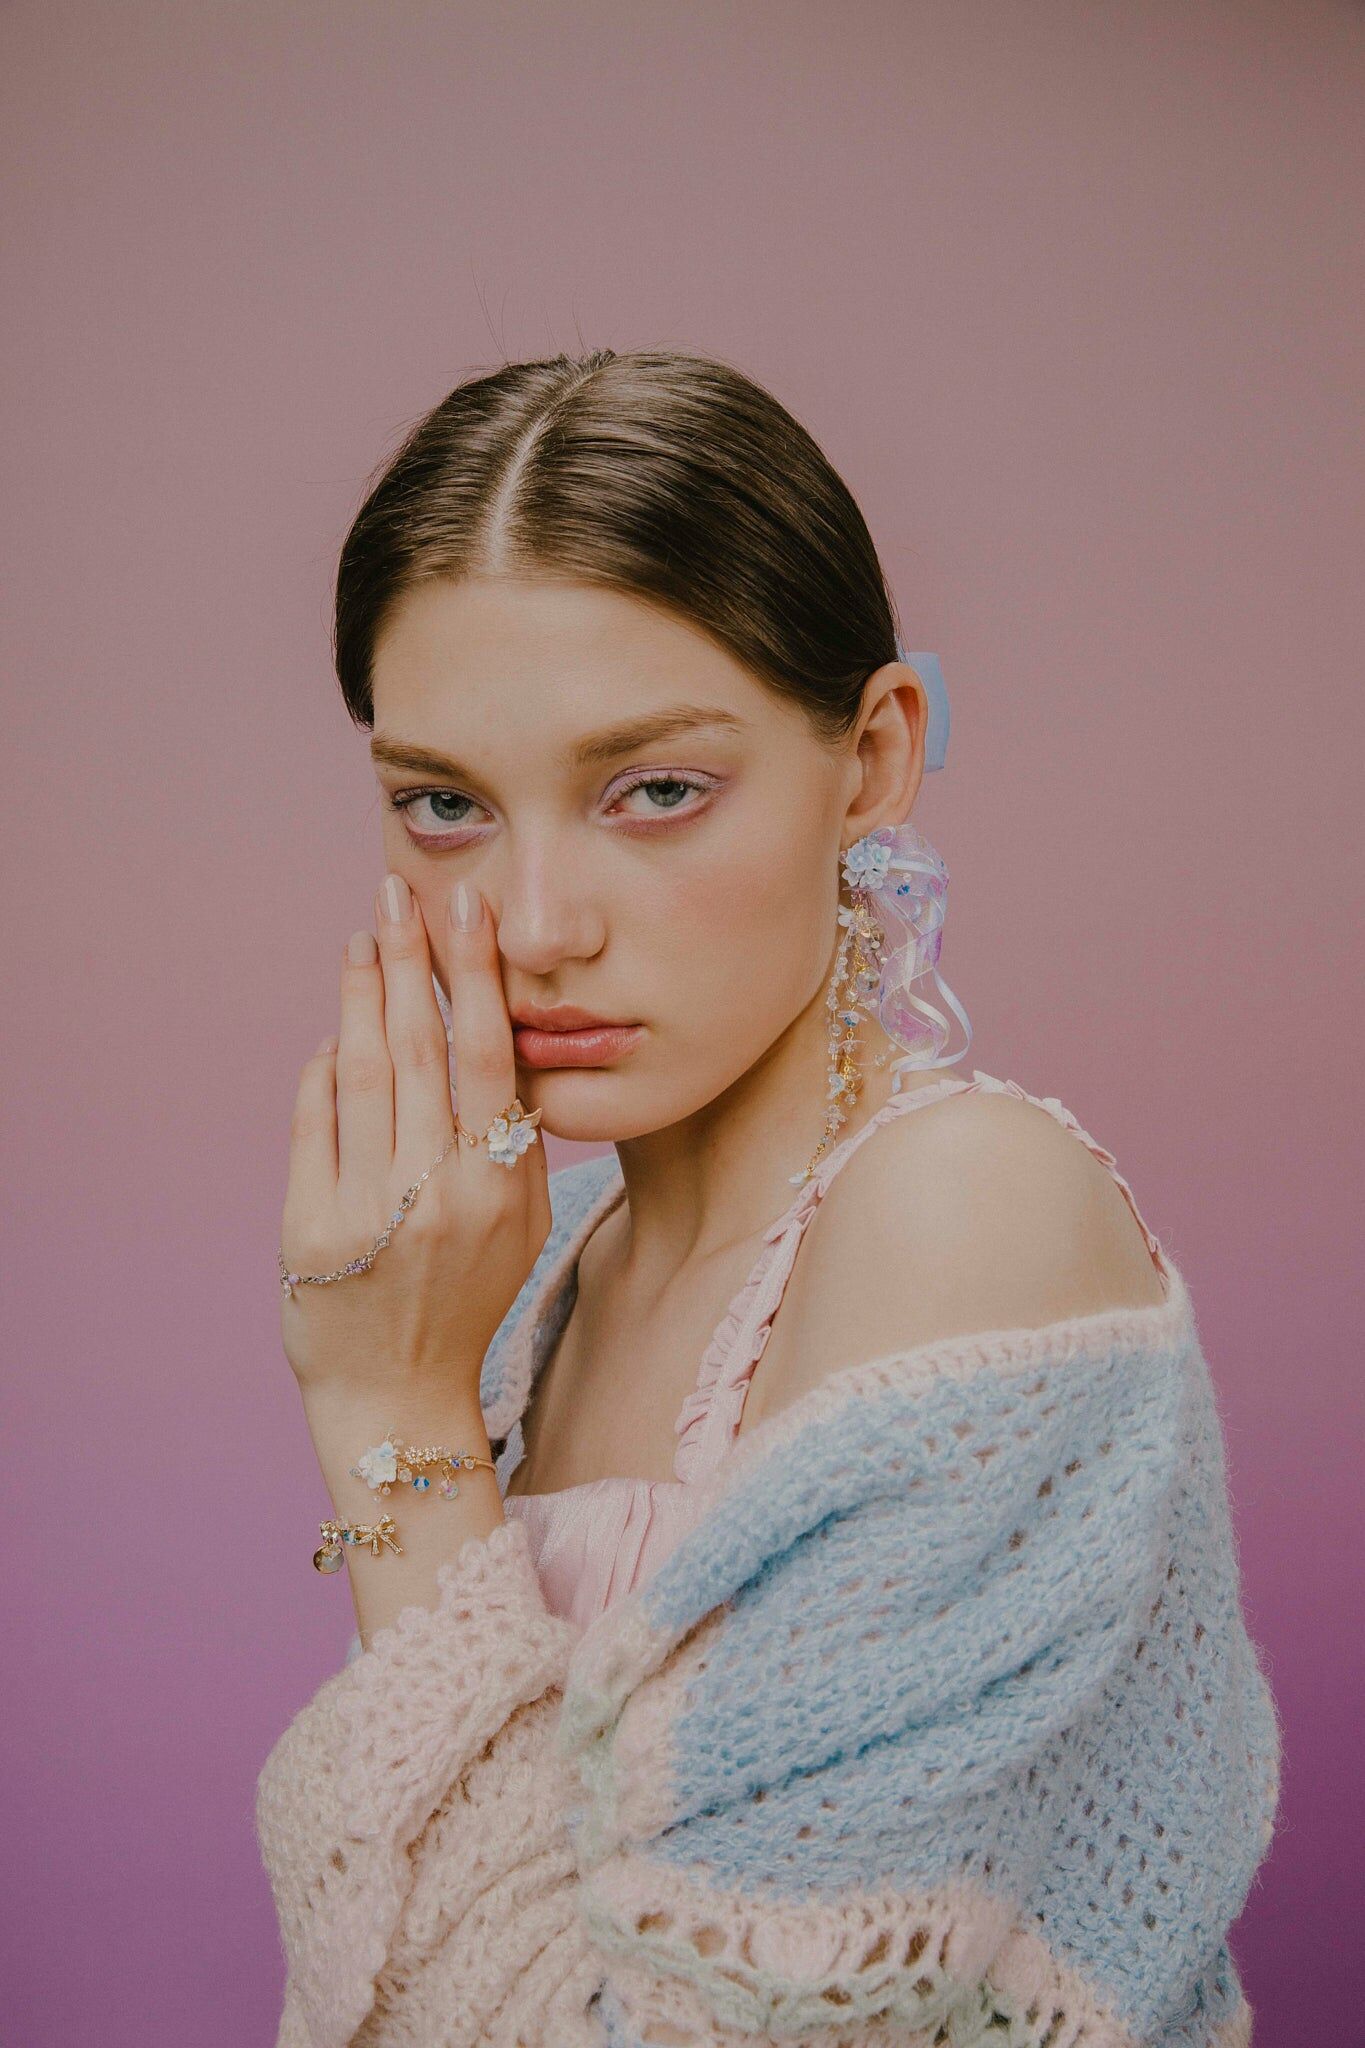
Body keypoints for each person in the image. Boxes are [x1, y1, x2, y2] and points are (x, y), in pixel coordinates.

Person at [255, 347, 1280, 2046]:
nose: (529, 922)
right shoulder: (551, 1266)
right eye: (443, 806)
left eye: (652, 790)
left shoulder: (960, 1210)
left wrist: (384, 1408)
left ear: (872, 760)